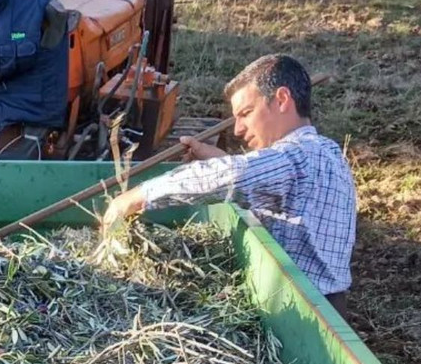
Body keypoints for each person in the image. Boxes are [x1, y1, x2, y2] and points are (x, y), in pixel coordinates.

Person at [102, 54, 357, 318]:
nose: (237, 129)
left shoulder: (296, 158)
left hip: (302, 309)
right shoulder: (326, 151)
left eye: (246, 113)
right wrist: (217, 158)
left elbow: (236, 175)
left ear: (281, 99)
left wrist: (137, 196)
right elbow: (271, 185)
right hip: (329, 301)